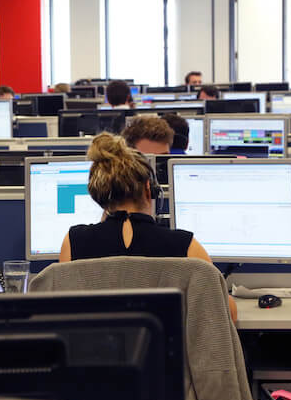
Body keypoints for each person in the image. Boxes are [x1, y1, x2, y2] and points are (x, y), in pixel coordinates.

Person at [58, 133, 237, 321]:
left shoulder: (74, 241)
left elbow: (62, 312)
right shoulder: (185, 245)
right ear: (148, 189)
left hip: (97, 341)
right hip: (166, 341)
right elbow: (227, 314)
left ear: (99, 194)